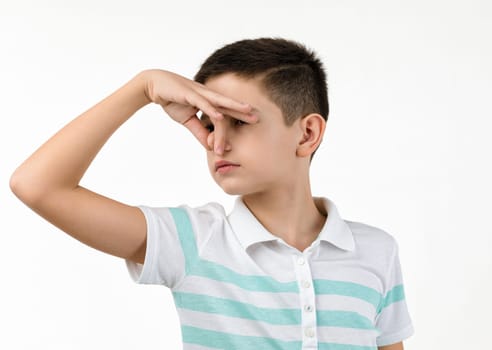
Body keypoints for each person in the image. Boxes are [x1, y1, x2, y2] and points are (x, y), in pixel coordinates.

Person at [10, 38, 414, 349]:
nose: (216, 143)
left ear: (307, 133)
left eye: (238, 122)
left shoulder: (376, 251)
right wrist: (142, 87)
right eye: (207, 123)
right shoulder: (192, 241)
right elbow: (37, 186)